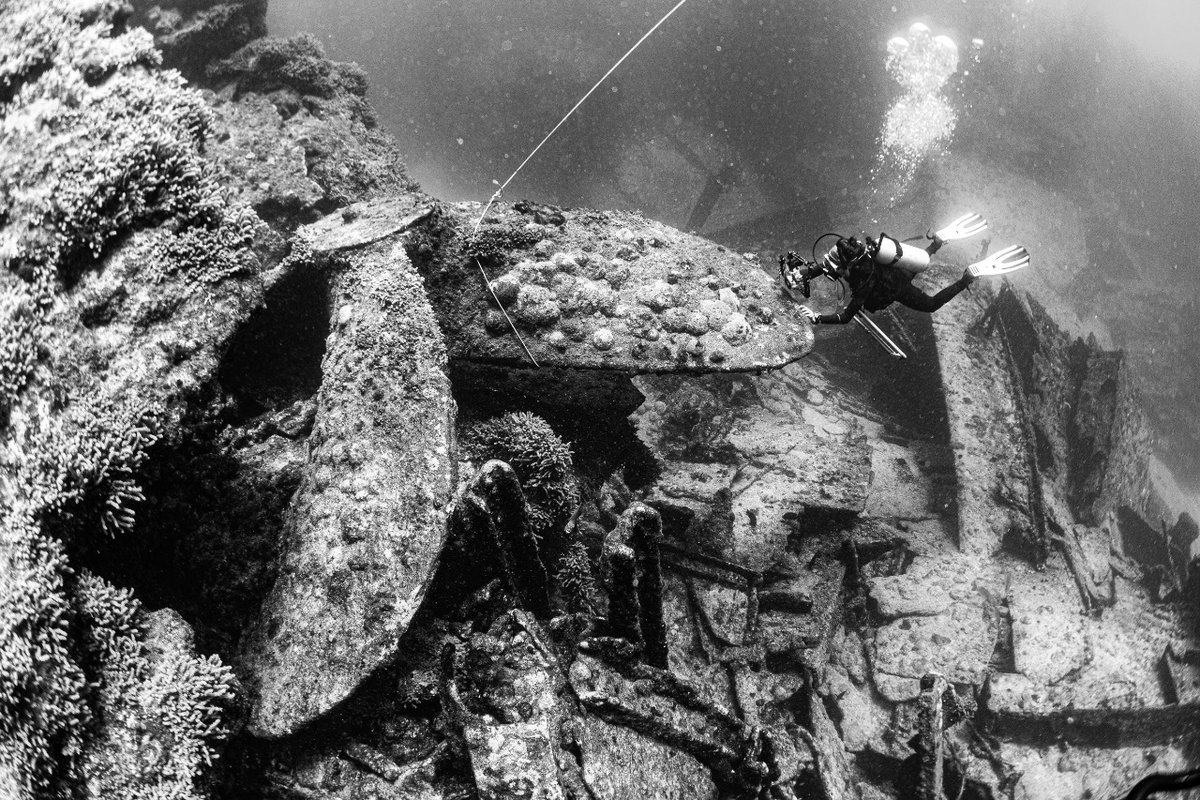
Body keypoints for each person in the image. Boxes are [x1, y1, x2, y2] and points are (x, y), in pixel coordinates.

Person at [778, 213, 1029, 325]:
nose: (833, 273)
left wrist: (817, 318)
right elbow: (825, 266)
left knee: (930, 304)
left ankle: (966, 278)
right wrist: (801, 274)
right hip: (896, 270)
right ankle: (937, 244)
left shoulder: (863, 284)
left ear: (845, 267)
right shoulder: (854, 253)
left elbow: (845, 318)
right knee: (916, 265)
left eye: (837, 271)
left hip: (893, 287)